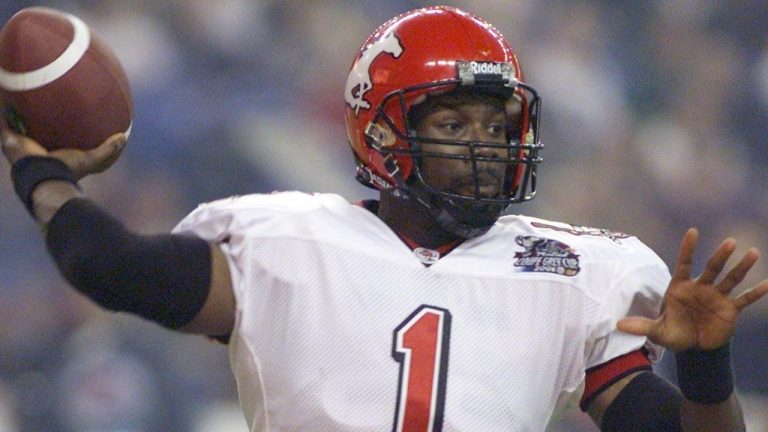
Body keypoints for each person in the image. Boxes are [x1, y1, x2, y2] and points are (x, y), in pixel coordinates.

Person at [2, 5, 767, 432]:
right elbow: (111, 268)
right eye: (457, 125)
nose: (486, 148)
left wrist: (705, 368)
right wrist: (43, 174)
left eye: (497, 127)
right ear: (381, 132)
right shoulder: (287, 242)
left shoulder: (568, 272)